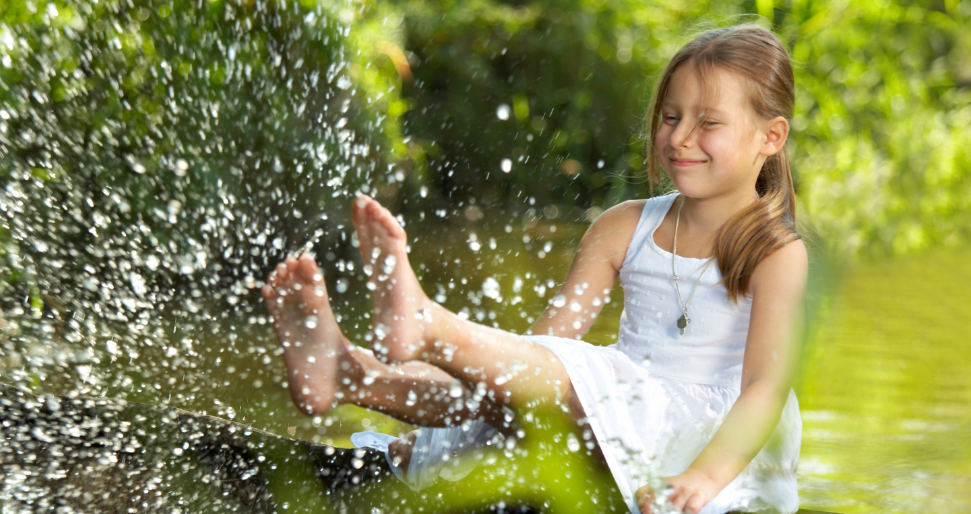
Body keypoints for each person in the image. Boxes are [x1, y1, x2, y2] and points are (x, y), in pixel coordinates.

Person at [261, 23, 806, 514]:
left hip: (713, 446)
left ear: (770, 137)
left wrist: (702, 479)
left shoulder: (775, 253)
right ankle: (353, 376)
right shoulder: (624, 226)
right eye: (670, 117)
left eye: (707, 122)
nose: (680, 137)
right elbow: (542, 347)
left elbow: (763, 388)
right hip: (609, 420)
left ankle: (425, 325)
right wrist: (491, 401)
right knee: (514, 377)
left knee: (592, 379)